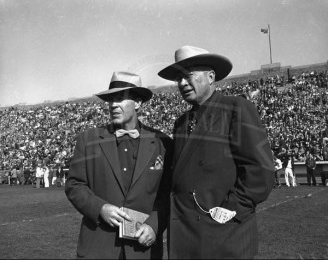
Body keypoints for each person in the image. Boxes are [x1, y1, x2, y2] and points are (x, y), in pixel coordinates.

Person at [158, 45, 274, 259]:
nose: (182, 83)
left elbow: (261, 171)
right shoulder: (181, 123)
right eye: (178, 79)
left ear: (211, 77)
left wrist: (231, 209)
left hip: (223, 237)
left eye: (188, 76)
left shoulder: (236, 109)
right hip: (187, 239)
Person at [65, 71, 172, 259]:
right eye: (111, 99)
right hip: (98, 248)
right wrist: (100, 208)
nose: (113, 104)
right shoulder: (88, 140)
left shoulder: (162, 142)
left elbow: (169, 193)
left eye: (121, 98)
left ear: (138, 102)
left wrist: (154, 225)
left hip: (143, 249)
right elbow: (74, 185)